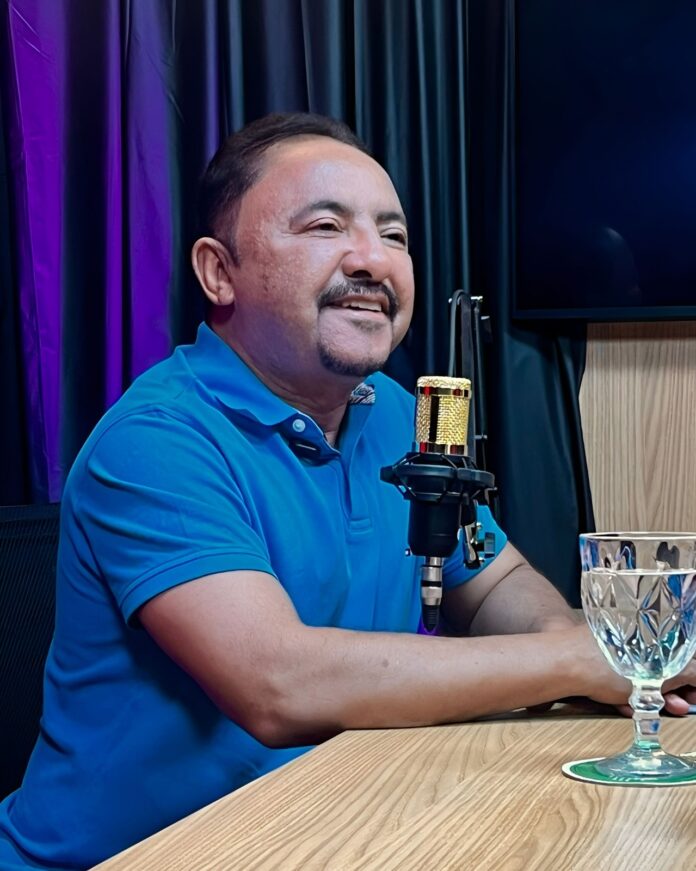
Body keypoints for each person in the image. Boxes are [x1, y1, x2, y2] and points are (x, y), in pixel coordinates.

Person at [1, 112, 695, 870]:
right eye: (326, 226)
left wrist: (588, 656)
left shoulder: (397, 411)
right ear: (218, 271)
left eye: (394, 235)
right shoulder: (157, 438)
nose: (373, 260)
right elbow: (277, 684)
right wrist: (577, 661)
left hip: (330, 829)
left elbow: (496, 583)